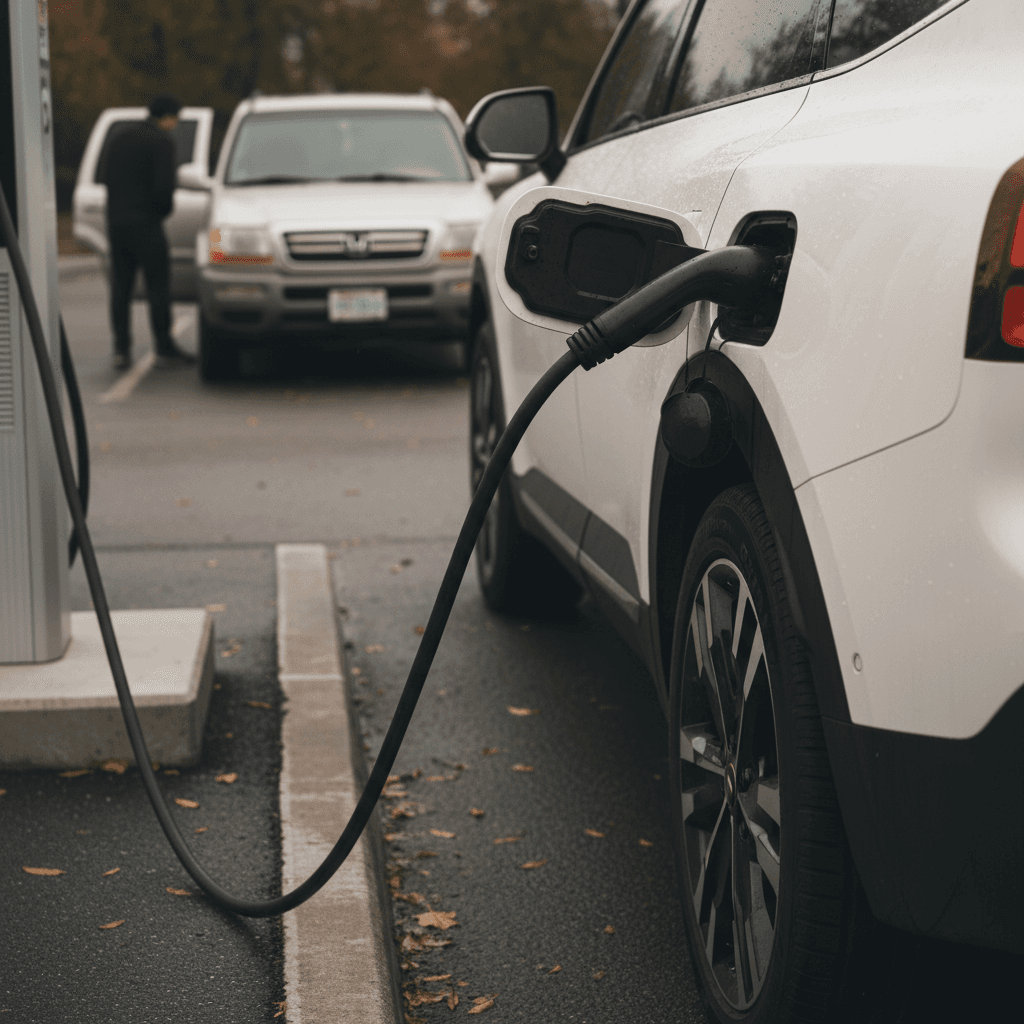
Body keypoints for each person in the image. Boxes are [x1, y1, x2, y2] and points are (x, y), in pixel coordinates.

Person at [104, 92, 195, 370]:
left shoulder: (119, 139)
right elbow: (164, 188)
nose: (175, 124)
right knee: (158, 286)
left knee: (122, 287)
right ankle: (164, 345)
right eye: (175, 119)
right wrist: (161, 212)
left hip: (117, 224)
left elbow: (107, 177)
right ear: (167, 117)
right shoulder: (161, 143)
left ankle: (121, 348)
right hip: (146, 223)